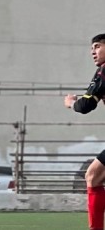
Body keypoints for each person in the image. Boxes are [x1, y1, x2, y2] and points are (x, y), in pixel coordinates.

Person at [64, 33, 105, 230]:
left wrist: (71, 103)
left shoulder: (103, 71)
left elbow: (85, 105)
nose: (93, 52)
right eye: (91, 49)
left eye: (97, 46)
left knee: (93, 176)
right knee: (94, 176)